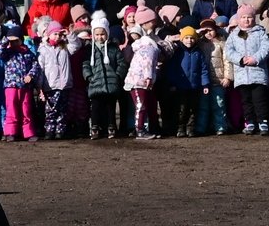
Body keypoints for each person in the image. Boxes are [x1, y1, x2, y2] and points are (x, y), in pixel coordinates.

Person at [224, 10, 269, 135]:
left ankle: (263, 122)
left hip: (258, 73)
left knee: (259, 100)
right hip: (241, 75)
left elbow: (266, 48)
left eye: (249, 17)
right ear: (239, 19)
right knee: (246, 101)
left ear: (254, 18)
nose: (246, 20)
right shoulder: (233, 35)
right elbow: (228, 51)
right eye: (244, 17)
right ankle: (249, 121)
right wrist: (240, 59)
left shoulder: (260, 32)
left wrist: (255, 58)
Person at [163, 24, 214, 139]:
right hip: (181, 87)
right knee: (181, 109)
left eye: (191, 38)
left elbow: (203, 70)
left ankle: (190, 128)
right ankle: (180, 128)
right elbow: (172, 69)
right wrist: (172, 83)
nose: (189, 40)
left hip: (195, 87)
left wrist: (205, 84)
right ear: (182, 39)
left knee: (193, 108)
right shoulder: (178, 53)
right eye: (186, 38)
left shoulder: (198, 53)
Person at [82, 12, 125, 139]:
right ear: (93, 35)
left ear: (107, 34)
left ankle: (111, 126)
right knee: (95, 107)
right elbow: (85, 65)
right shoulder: (90, 49)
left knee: (111, 107)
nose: (100, 37)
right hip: (95, 83)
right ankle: (95, 126)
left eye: (102, 34)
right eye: (97, 34)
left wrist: (117, 76)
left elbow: (121, 63)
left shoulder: (113, 48)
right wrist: (89, 77)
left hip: (111, 84)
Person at [35, 18, 79, 139]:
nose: (57, 37)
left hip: (64, 85)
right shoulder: (43, 50)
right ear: (49, 34)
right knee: (51, 110)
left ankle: (60, 130)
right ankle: (49, 130)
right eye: (55, 34)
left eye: (59, 34)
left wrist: (69, 34)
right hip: (50, 85)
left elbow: (76, 45)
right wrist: (40, 87)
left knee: (62, 110)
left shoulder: (65, 48)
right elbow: (40, 69)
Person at [122, 9, 162, 140]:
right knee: (141, 106)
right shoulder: (149, 46)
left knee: (147, 105)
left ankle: (148, 128)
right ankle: (140, 130)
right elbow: (147, 63)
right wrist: (149, 77)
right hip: (139, 81)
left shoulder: (143, 44)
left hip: (140, 80)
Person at [0, 21, 39, 142]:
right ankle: (10, 132)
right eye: (12, 41)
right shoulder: (7, 53)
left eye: (16, 40)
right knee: (12, 109)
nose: (14, 43)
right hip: (11, 86)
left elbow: (35, 65)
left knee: (26, 109)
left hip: (25, 86)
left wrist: (30, 75)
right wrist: (7, 39)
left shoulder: (28, 53)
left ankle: (28, 132)